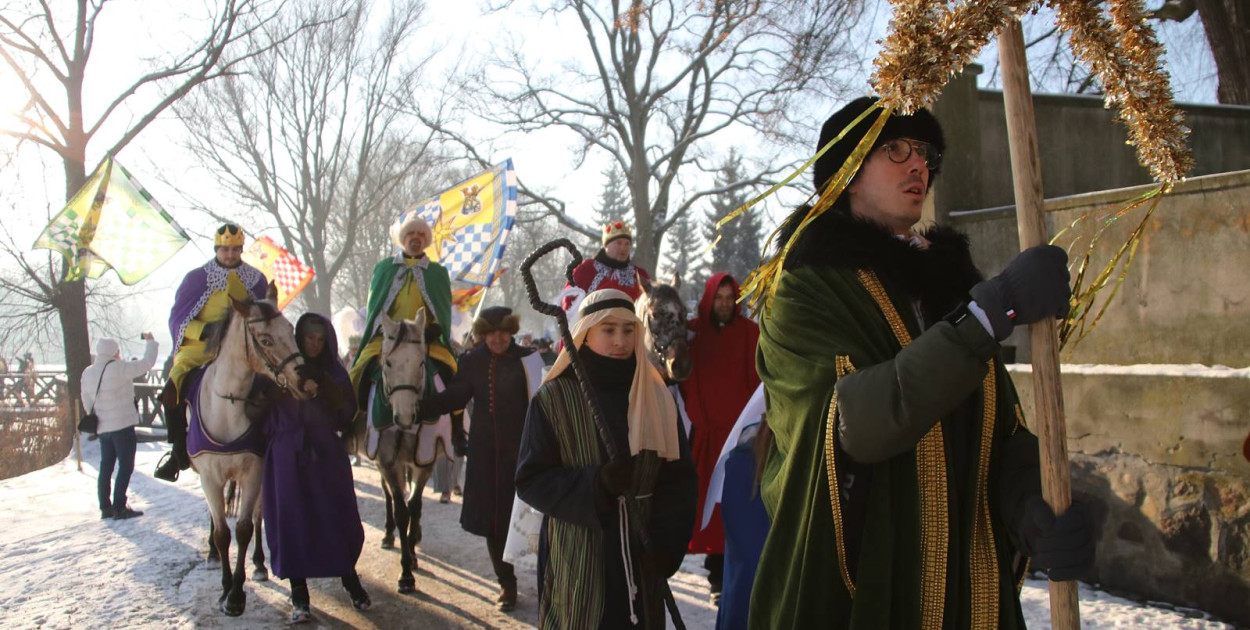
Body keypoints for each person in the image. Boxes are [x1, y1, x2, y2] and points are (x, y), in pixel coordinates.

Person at [749, 96, 1097, 629]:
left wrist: (1032, 506)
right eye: (897, 149)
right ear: (847, 169)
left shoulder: (949, 285)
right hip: (868, 592)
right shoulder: (804, 286)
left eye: (927, 153)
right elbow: (858, 423)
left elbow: (998, 431)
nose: (921, 165)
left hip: (968, 593)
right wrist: (985, 317)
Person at [515, 289, 697, 629]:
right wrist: (594, 484)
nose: (620, 340)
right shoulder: (553, 398)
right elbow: (531, 479)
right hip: (578, 553)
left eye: (628, 330)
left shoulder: (656, 395)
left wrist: (667, 545)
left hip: (643, 550)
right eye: (608, 330)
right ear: (586, 332)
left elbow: (680, 481)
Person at [423, 306, 547, 612]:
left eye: (503, 332)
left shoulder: (529, 360)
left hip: (524, 453)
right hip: (485, 456)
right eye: (491, 333)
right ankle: (507, 583)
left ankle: (551, 581)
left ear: (512, 331)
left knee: (536, 519)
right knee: (494, 523)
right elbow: (456, 395)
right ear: (482, 334)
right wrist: (424, 405)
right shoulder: (472, 361)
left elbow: (545, 404)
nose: (498, 338)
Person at [261, 314, 370, 623]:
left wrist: (323, 385)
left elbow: (347, 411)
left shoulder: (334, 371)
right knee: (291, 521)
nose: (314, 344)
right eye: (309, 338)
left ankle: (350, 580)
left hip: (325, 453)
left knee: (335, 517)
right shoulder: (279, 368)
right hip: (286, 455)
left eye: (320, 340)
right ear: (298, 338)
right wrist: (274, 390)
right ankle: (299, 596)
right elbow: (256, 407)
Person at [155, 224, 268, 482]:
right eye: (225, 249)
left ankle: (271, 441)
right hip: (199, 349)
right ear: (217, 249)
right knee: (174, 385)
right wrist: (205, 331)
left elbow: (263, 317)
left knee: (270, 382)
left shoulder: (256, 279)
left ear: (241, 249)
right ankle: (178, 451)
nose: (229, 255)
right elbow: (177, 319)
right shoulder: (196, 278)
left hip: (241, 350)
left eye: (235, 249)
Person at [679, 272, 760, 602]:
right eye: (720, 297)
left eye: (730, 297)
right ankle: (715, 573)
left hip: (740, 436)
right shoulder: (693, 334)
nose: (725, 304)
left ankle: (732, 572)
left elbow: (756, 380)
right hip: (707, 434)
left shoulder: (750, 333)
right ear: (710, 299)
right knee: (709, 505)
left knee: (736, 502)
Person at [349, 213, 457, 430]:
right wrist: (384, 328)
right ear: (402, 238)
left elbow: (442, 311)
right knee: (358, 371)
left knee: (451, 370)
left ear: (426, 240)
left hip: (423, 338)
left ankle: (456, 429)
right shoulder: (384, 268)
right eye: (410, 233)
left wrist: (434, 329)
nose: (415, 238)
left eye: (420, 234)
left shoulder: (437, 273)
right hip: (388, 336)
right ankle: (354, 423)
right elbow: (375, 307)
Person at [81, 334, 159, 519]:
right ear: (114, 351)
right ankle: (119, 507)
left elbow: (86, 400)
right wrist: (150, 342)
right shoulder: (120, 368)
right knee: (125, 465)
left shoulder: (88, 372)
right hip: (122, 426)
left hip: (103, 428)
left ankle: (105, 507)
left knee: (106, 467)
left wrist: (100, 414)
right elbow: (147, 362)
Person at [565, 221, 652, 308]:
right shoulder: (586, 269)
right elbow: (568, 305)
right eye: (619, 243)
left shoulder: (639, 275)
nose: (623, 248)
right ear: (606, 245)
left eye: (627, 244)